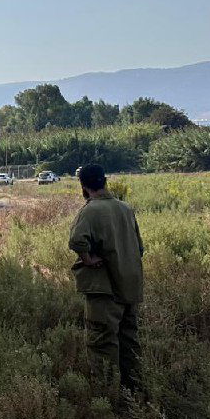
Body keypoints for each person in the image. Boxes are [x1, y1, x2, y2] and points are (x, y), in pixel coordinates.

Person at [68, 164, 144, 398]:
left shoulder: (90, 211)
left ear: (84, 185)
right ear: (105, 181)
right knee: (129, 341)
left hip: (105, 289)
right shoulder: (125, 208)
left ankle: (108, 398)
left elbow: (77, 241)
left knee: (102, 343)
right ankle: (134, 393)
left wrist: (88, 260)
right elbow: (139, 248)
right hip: (130, 287)